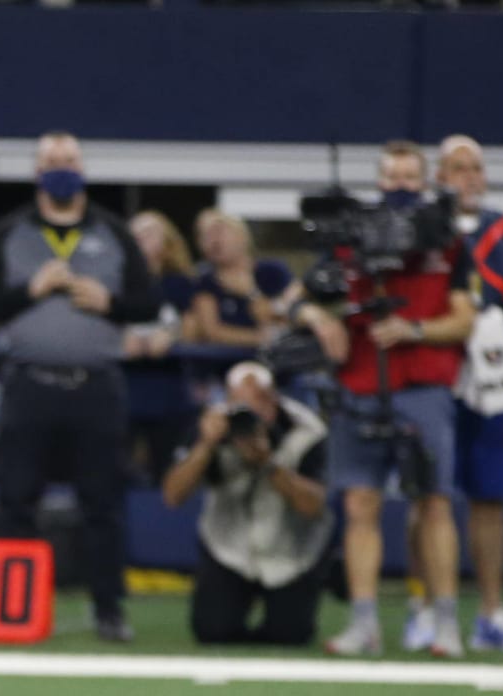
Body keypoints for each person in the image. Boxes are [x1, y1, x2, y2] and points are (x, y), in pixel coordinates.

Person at [0, 131, 156, 642]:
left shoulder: (114, 232)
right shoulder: (9, 232)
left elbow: (151, 304)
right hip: (29, 385)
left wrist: (110, 303)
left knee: (103, 505)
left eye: (69, 161)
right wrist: (31, 290)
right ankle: (10, 608)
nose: (61, 169)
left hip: (97, 387)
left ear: (83, 169)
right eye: (52, 161)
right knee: (16, 499)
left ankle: (109, 613)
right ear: (37, 172)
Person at [296, 141, 475, 658]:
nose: (399, 186)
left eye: (408, 177)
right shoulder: (350, 238)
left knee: (435, 502)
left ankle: (445, 623)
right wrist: (317, 318)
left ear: (423, 182)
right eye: (391, 177)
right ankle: (364, 624)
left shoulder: (446, 242)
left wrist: (415, 328)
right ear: (379, 181)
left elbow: (465, 316)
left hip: (422, 384)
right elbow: (304, 296)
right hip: (359, 383)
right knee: (359, 503)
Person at [402, 134, 503, 653]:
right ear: (439, 176)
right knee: (428, 495)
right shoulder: (419, 227)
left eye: (477, 167)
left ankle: (491, 612)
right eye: (458, 168)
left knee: (490, 494)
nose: (471, 177)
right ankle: (422, 608)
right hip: (433, 373)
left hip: (491, 376)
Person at [162, 362, 331, 645]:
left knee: (290, 636)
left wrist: (268, 464)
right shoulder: (212, 425)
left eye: (260, 401)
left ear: (273, 397)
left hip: (289, 554)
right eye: (239, 402)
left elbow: (313, 507)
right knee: (213, 631)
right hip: (230, 548)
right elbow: (172, 496)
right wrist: (205, 446)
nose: (250, 413)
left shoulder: (307, 430)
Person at [124, 210, 197, 485]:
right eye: (135, 233)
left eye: (149, 232)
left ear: (168, 244)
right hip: (123, 389)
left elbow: (193, 329)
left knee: (167, 470)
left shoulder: (180, 283)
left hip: (169, 391)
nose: (140, 238)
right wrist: (120, 336)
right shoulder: (116, 284)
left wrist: (172, 334)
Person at [188, 209, 297, 349]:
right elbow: (212, 331)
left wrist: (250, 292)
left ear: (241, 235)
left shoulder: (273, 270)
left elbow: (284, 317)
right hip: (224, 362)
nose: (213, 240)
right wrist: (257, 338)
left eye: (218, 231)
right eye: (204, 234)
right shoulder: (203, 280)